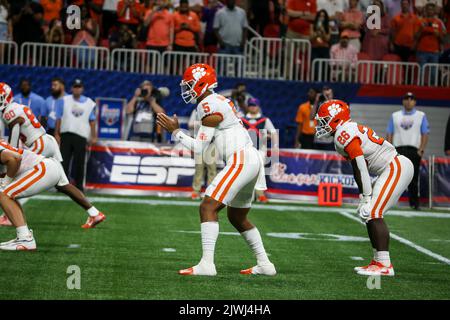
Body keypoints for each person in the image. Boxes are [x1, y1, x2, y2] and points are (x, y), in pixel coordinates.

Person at [157, 63, 276, 276]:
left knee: (207, 207)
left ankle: (207, 265)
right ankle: (265, 264)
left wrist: (176, 132)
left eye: (191, 85)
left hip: (241, 160)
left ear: (202, 84)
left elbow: (200, 147)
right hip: (250, 159)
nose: (187, 90)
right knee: (237, 217)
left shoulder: (207, 104)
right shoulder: (216, 100)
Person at [315, 99, 414, 276]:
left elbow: (361, 166)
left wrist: (367, 196)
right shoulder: (345, 131)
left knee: (373, 211)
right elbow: (356, 167)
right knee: (367, 213)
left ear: (336, 119)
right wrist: (363, 196)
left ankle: (385, 265)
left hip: (395, 166)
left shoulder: (343, 133)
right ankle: (378, 261)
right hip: (390, 168)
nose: (321, 125)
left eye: (324, 120)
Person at [0, 82, 105, 230]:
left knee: (15, 175)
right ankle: (94, 213)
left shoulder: (9, 111)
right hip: (47, 141)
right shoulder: (17, 106)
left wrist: (11, 150)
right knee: (62, 184)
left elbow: (15, 130)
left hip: (38, 143)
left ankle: (8, 215)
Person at [386, 92, 429, 210]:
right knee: (394, 176)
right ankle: (389, 202)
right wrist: (390, 149)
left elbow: (425, 133)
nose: (409, 101)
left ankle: (414, 203)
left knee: (414, 178)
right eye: (406, 98)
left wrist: (421, 150)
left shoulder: (421, 115)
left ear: (415, 101)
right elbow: (389, 133)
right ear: (403, 101)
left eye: (411, 99)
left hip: (414, 150)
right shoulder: (395, 116)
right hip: (398, 149)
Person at [55, 79, 98, 193]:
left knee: (80, 163)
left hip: (81, 135)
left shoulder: (89, 103)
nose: (77, 89)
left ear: (82, 88)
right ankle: (62, 186)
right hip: (66, 134)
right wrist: (56, 133)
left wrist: (93, 136)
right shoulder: (64, 100)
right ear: (72, 88)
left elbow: (92, 121)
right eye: (75, 86)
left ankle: (79, 187)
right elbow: (58, 118)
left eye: (79, 87)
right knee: (64, 161)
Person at [241, 98, 277, 203]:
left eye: (254, 105)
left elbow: (274, 133)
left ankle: (260, 195)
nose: (253, 107)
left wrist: (273, 144)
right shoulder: (242, 120)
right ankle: (247, 195)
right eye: (251, 105)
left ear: (258, 106)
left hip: (260, 150)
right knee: (246, 173)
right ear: (248, 106)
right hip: (246, 150)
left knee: (259, 172)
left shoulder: (265, 120)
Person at [188, 108, 217, 200]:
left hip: (212, 143)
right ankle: (196, 191)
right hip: (199, 143)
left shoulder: (215, 111)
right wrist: (204, 124)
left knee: (212, 169)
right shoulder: (196, 110)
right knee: (199, 169)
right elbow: (190, 124)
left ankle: (210, 192)